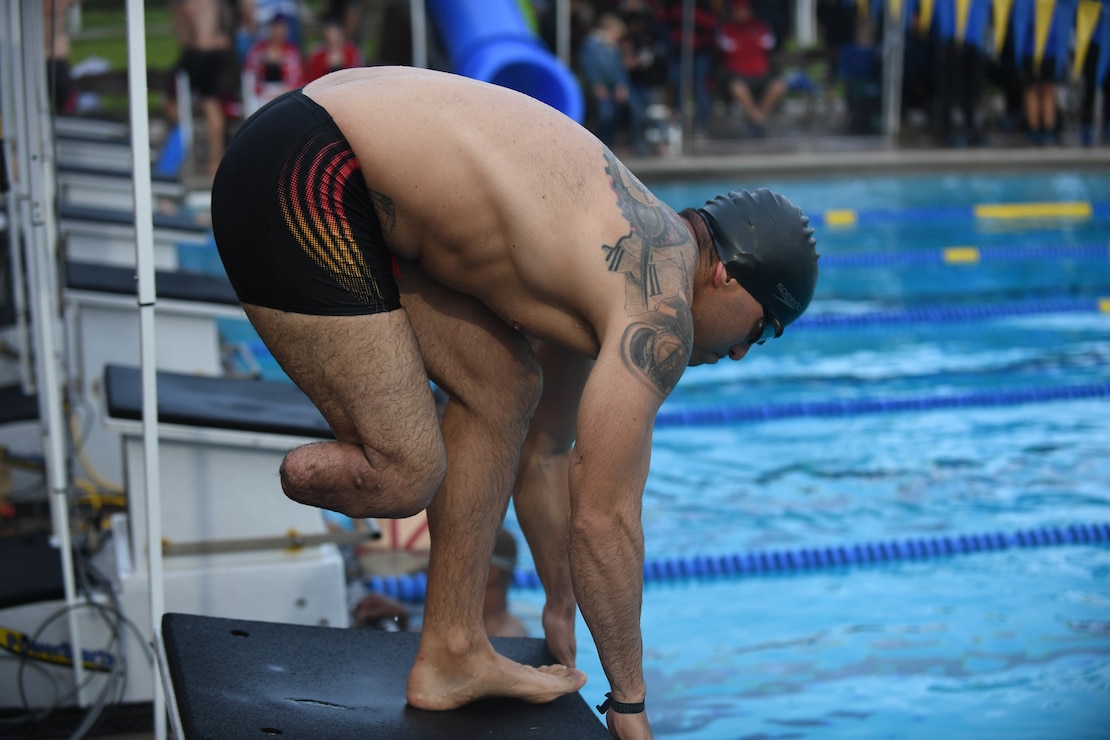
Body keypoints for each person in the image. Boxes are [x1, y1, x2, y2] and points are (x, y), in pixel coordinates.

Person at [209, 66, 818, 738]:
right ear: (729, 274)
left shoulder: (623, 262)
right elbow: (604, 520)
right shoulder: (660, 311)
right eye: (760, 332)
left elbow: (545, 455)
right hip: (306, 174)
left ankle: (452, 652)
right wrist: (631, 703)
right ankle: (300, 467)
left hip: (324, 149)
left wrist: (560, 601)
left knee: (504, 386)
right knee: (407, 471)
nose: (738, 354)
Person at [717, 0, 788, 137]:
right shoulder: (727, 29)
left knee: (779, 85)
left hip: (760, 73)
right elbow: (727, 48)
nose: (742, 13)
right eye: (738, 10)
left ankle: (757, 116)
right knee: (737, 88)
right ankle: (757, 118)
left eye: (745, 10)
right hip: (739, 73)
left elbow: (768, 45)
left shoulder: (761, 27)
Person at [577, 13, 631, 147]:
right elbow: (588, 66)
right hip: (598, 87)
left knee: (616, 113)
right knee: (604, 114)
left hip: (611, 85)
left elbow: (618, 68)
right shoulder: (591, 45)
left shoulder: (613, 47)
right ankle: (597, 143)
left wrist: (621, 85)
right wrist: (596, 84)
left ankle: (609, 143)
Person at [305, 16, 363, 83]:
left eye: (335, 36)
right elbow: (313, 77)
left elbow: (356, 72)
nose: (332, 40)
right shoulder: (318, 54)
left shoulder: (350, 51)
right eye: (329, 37)